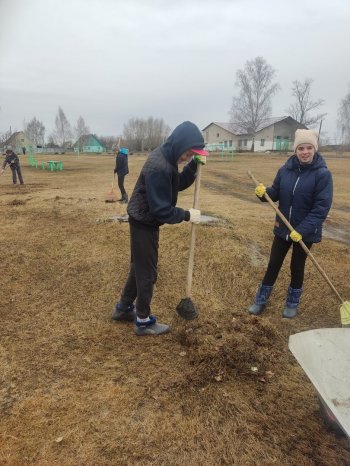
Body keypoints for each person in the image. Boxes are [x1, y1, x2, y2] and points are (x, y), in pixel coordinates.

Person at [112, 121, 208, 336]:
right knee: (147, 273)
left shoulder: (168, 156)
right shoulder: (160, 166)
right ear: (180, 144)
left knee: (139, 266)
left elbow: (176, 183)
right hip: (144, 222)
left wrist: (192, 167)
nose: (188, 158)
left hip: (144, 219)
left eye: (192, 156)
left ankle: (124, 308)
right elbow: (161, 211)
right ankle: (143, 320)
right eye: (188, 154)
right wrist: (186, 215)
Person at [248, 129, 333, 319]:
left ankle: (292, 303)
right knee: (274, 263)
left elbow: (321, 208)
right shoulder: (285, 170)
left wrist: (301, 230)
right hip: (283, 228)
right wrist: (264, 193)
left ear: (315, 149)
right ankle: (260, 300)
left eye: (309, 147)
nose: (305, 152)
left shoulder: (322, 174)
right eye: (301, 148)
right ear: (295, 150)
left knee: (297, 266)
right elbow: (275, 193)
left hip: (306, 231)